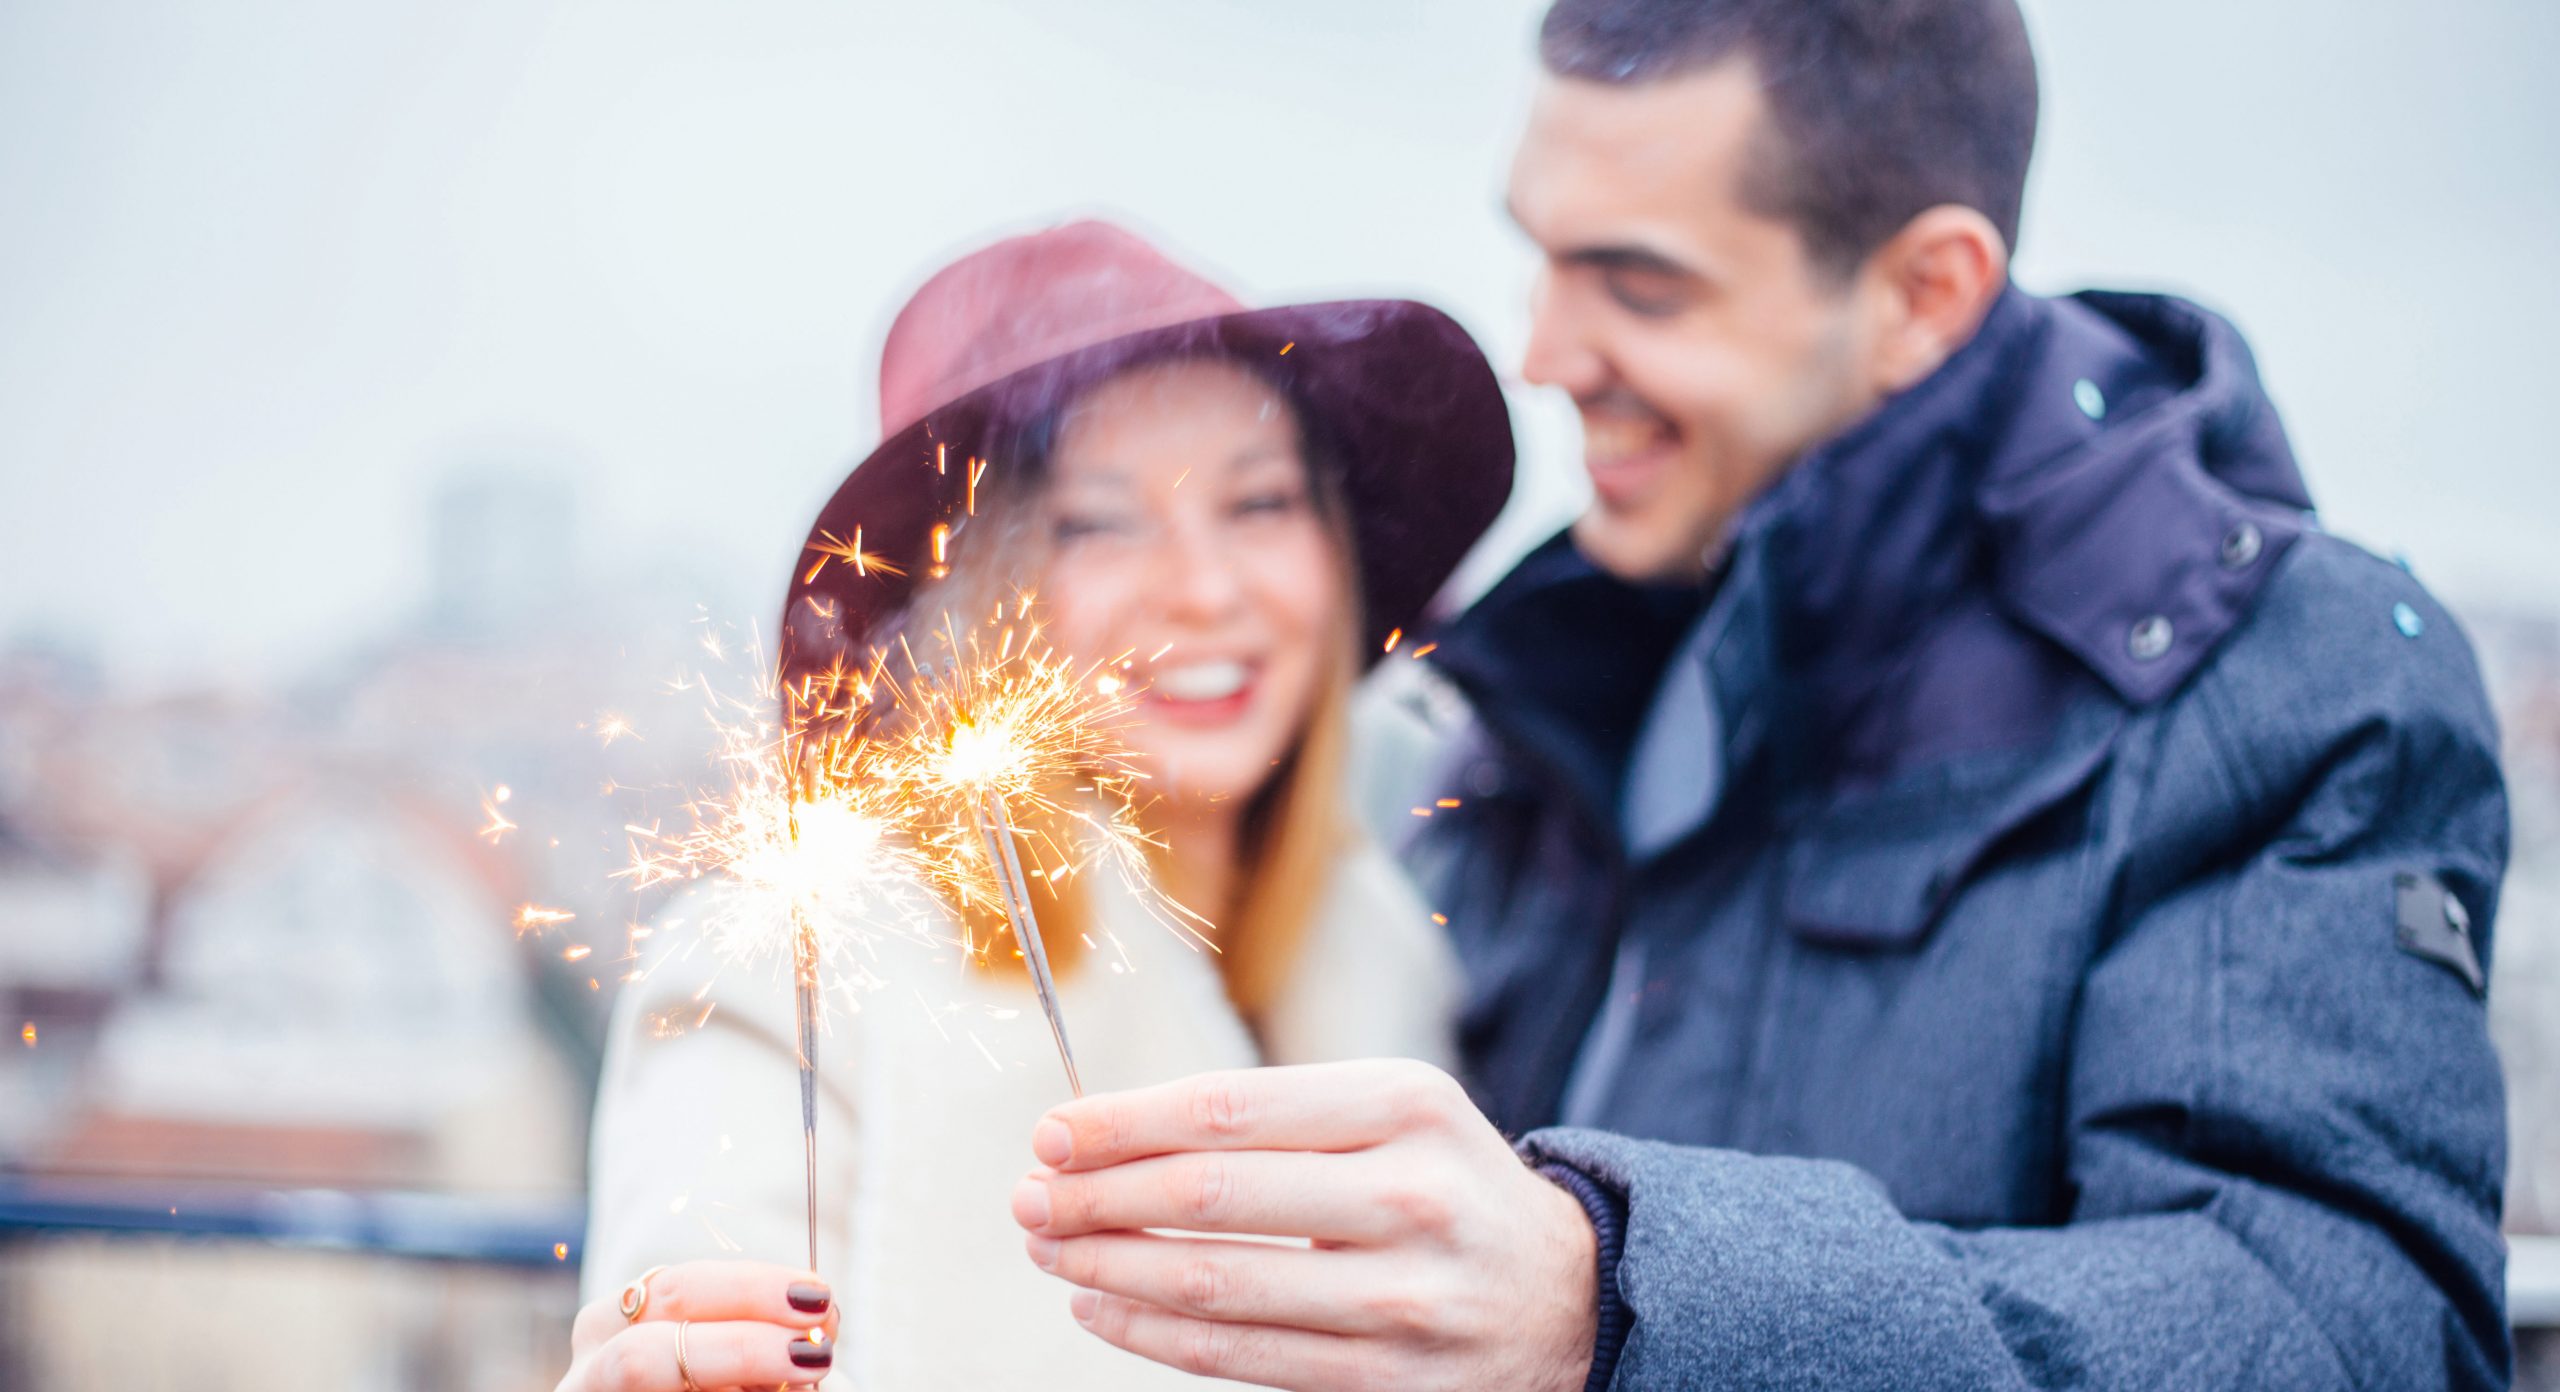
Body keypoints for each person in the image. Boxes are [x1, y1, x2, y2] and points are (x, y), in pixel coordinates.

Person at [1006, 3, 2513, 1389]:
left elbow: (2346, 1324)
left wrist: (1611, 1295)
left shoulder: (2289, 678)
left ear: (1925, 293)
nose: (1543, 352)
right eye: (1543, 251)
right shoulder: (1556, 686)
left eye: (1641, 286)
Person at [560, 221, 1516, 1390]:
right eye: (1096, 523)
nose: (1206, 590)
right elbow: (705, 1287)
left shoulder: (1396, 958)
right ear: (979, 591)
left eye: (1260, 503)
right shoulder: (801, 962)